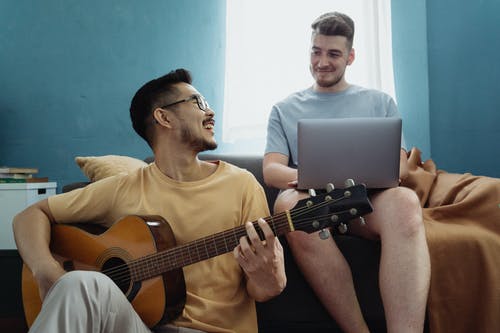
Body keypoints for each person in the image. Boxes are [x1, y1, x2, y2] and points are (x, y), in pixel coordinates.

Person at [13, 68, 286, 333]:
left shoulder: (242, 185)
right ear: (163, 117)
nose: (210, 111)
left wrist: (269, 277)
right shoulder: (124, 187)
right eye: (199, 103)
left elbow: (262, 291)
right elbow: (29, 216)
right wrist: (45, 271)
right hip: (139, 326)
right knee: (79, 284)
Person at [263, 12, 430, 333]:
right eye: (316, 51)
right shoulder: (284, 109)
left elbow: (399, 167)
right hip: (313, 204)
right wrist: (304, 177)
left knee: (406, 202)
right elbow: (271, 169)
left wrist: (361, 175)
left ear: (350, 56)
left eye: (333, 54)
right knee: (288, 204)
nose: (322, 61)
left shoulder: (379, 102)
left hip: (366, 203)